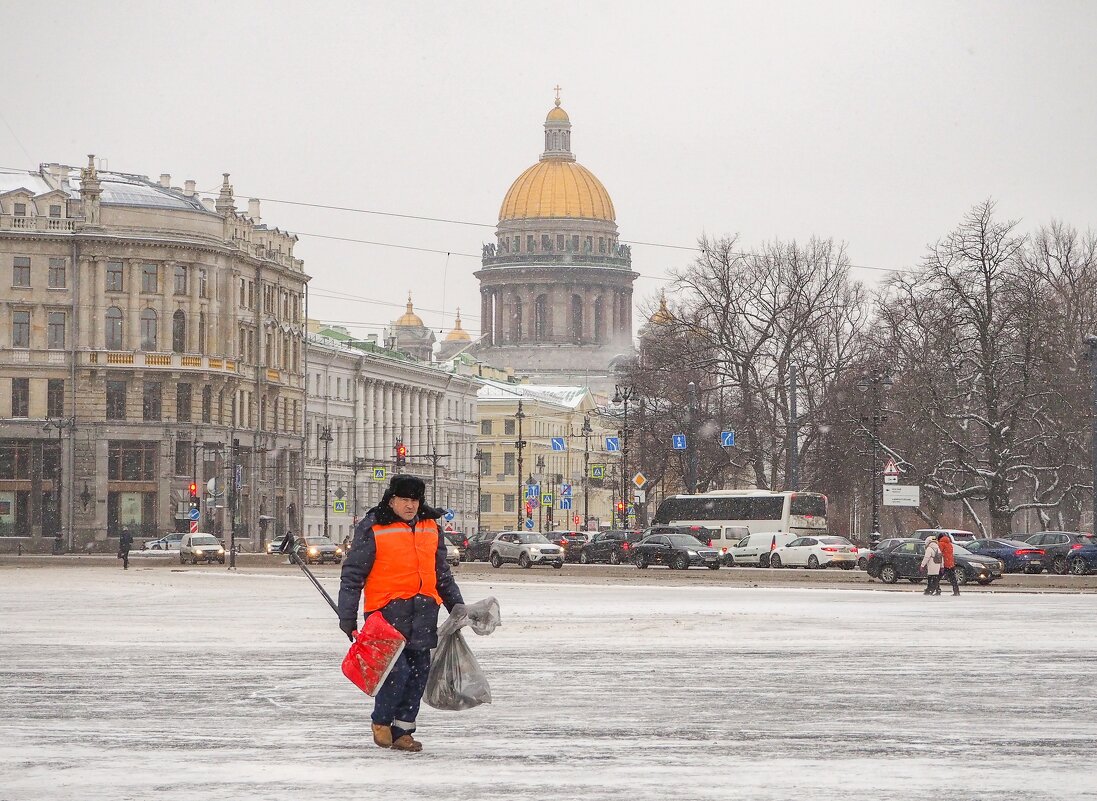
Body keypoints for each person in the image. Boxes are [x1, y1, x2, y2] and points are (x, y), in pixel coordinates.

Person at [338, 474, 464, 753]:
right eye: (405, 500)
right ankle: (381, 721)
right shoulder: (374, 526)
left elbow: (441, 573)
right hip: (385, 612)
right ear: (392, 499)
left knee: (419, 671)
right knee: (396, 670)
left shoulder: (430, 526)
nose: (410, 506)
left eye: (415, 500)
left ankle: (404, 730)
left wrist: (456, 607)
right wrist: (347, 616)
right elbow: (353, 574)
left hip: (424, 610)